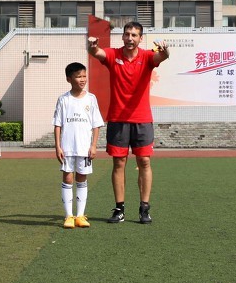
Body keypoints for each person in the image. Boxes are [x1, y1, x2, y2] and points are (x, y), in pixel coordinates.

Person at [87, 21, 169, 224]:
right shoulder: (114, 55)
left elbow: (163, 56)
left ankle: (144, 208)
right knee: (119, 163)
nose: (130, 38)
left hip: (142, 119)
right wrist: (92, 46)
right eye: (127, 34)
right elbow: (97, 53)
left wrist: (166, 51)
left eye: (134, 35)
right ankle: (119, 209)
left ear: (141, 38)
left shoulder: (148, 57)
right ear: (122, 37)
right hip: (118, 119)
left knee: (144, 162)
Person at [54, 61, 104, 228]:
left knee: (82, 178)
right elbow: (58, 124)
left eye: (84, 76)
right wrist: (58, 146)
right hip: (67, 147)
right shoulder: (63, 99)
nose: (82, 79)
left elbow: (96, 124)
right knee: (68, 178)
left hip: (84, 147)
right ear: (69, 79)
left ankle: (80, 215)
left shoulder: (91, 98)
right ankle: (69, 216)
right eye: (78, 76)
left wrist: (94, 145)